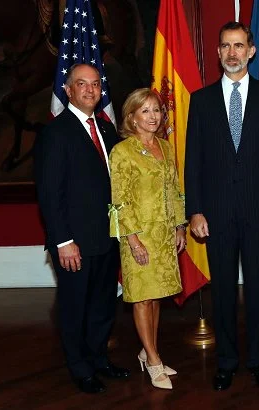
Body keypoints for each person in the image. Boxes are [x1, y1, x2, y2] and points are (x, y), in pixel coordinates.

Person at [185, 21, 259, 391]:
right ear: (218, 52)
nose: (232, 52)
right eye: (226, 46)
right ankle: (227, 361)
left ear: (251, 51)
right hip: (215, 214)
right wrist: (195, 210)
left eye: (239, 45)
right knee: (224, 290)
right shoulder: (200, 101)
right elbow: (193, 161)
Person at [33, 63, 129, 394]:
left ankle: (99, 358)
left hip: (107, 237)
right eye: (81, 84)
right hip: (75, 241)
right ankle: (79, 367)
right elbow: (49, 193)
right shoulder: (56, 133)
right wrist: (63, 241)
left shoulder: (106, 130)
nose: (90, 90)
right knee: (75, 306)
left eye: (95, 84)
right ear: (68, 90)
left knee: (104, 304)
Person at [108, 88, 186, 390]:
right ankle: (153, 360)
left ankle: (147, 350)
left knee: (155, 297)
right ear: (132, 117)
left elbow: (175, 190)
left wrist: (180, 226)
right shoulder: (122, 151)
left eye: (156, 110)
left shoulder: (165, 148)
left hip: (164, 235)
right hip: (137, 237)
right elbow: (118, 201)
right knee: (142, 298)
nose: (153, 116)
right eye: (145, 111)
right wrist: (133, 240)